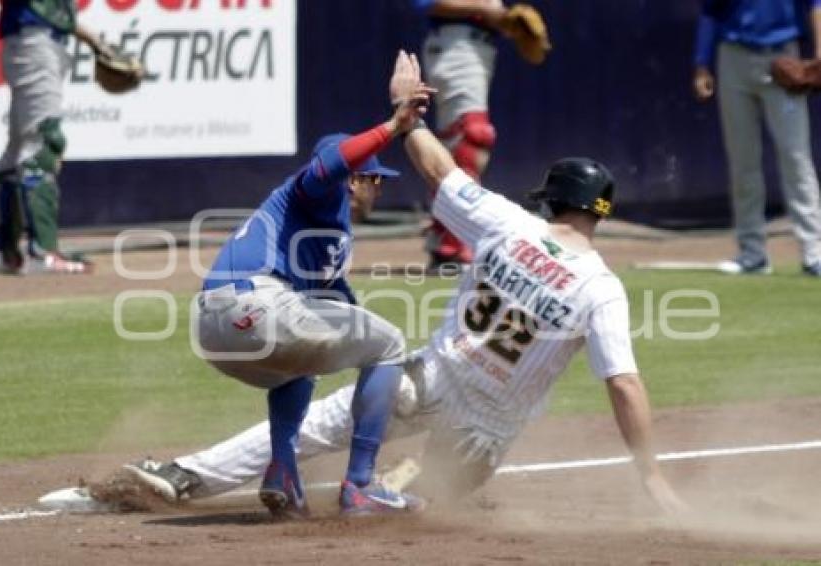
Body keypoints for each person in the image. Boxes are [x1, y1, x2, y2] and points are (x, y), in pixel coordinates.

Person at [116, 52, 686, 516]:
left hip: (431, 378)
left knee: (315, 427)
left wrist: (403, 114)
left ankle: (184, 474)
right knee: (431, 505)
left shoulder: (507, 223)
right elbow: (625, 386)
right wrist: (652, 475)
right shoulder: (600, 287)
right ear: (599, 213)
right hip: (484, 432)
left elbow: (438, 170)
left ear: (553, 199)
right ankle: (388, 489)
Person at [125, 59, 434, 519]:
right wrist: (393, 124)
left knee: (302, 370)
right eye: (374, 179)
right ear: (354, 180)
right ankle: (360, 487)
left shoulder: (329, 234)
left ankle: (283, 474)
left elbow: (340, 307)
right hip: (255, 304)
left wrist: (375, 377)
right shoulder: (316, 191)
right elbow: (329, 165)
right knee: (389, 343)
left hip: (217, 330)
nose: (378, 189)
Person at [0, 0, 111, 275]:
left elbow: (54, 12)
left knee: (19, 150)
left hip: (36, 42)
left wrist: (95, 41)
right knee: (43, 143)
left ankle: (3, 250)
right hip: (35, 44)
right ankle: (43, 252)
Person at [693, 0, 821, 277]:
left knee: (796, 157)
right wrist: (702, 64)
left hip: (783, 58)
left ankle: (814, 253)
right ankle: (752, 253)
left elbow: (814, 3)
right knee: (742, 160)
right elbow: (710, 11)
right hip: (734, 56)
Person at [412, 0, 508, 270]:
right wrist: (485, 8)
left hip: (474, 47)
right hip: (457, 46)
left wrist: (504, 19)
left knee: (457, 145)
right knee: (469, 140)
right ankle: (452, 244)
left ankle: (445, 239)